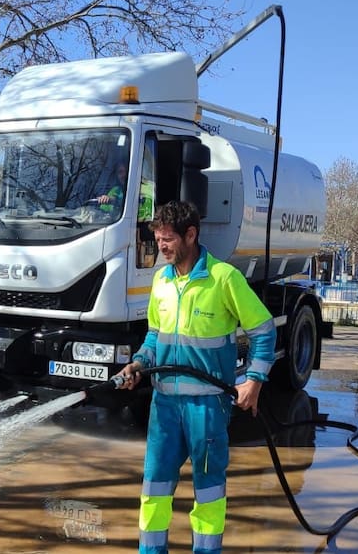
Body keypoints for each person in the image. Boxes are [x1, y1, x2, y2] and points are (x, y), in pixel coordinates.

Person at [115, 200, 276, 554]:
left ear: (191, 235)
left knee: (208, 492)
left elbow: (264, 331)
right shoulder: (161, 280)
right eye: (158, 239)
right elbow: (155, 336)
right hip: (165, 406)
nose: (162, 247)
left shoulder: (223, 278)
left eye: (168, 239)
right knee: (154, 489)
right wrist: (139, 365)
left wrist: (253, 381)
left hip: (207, 407)